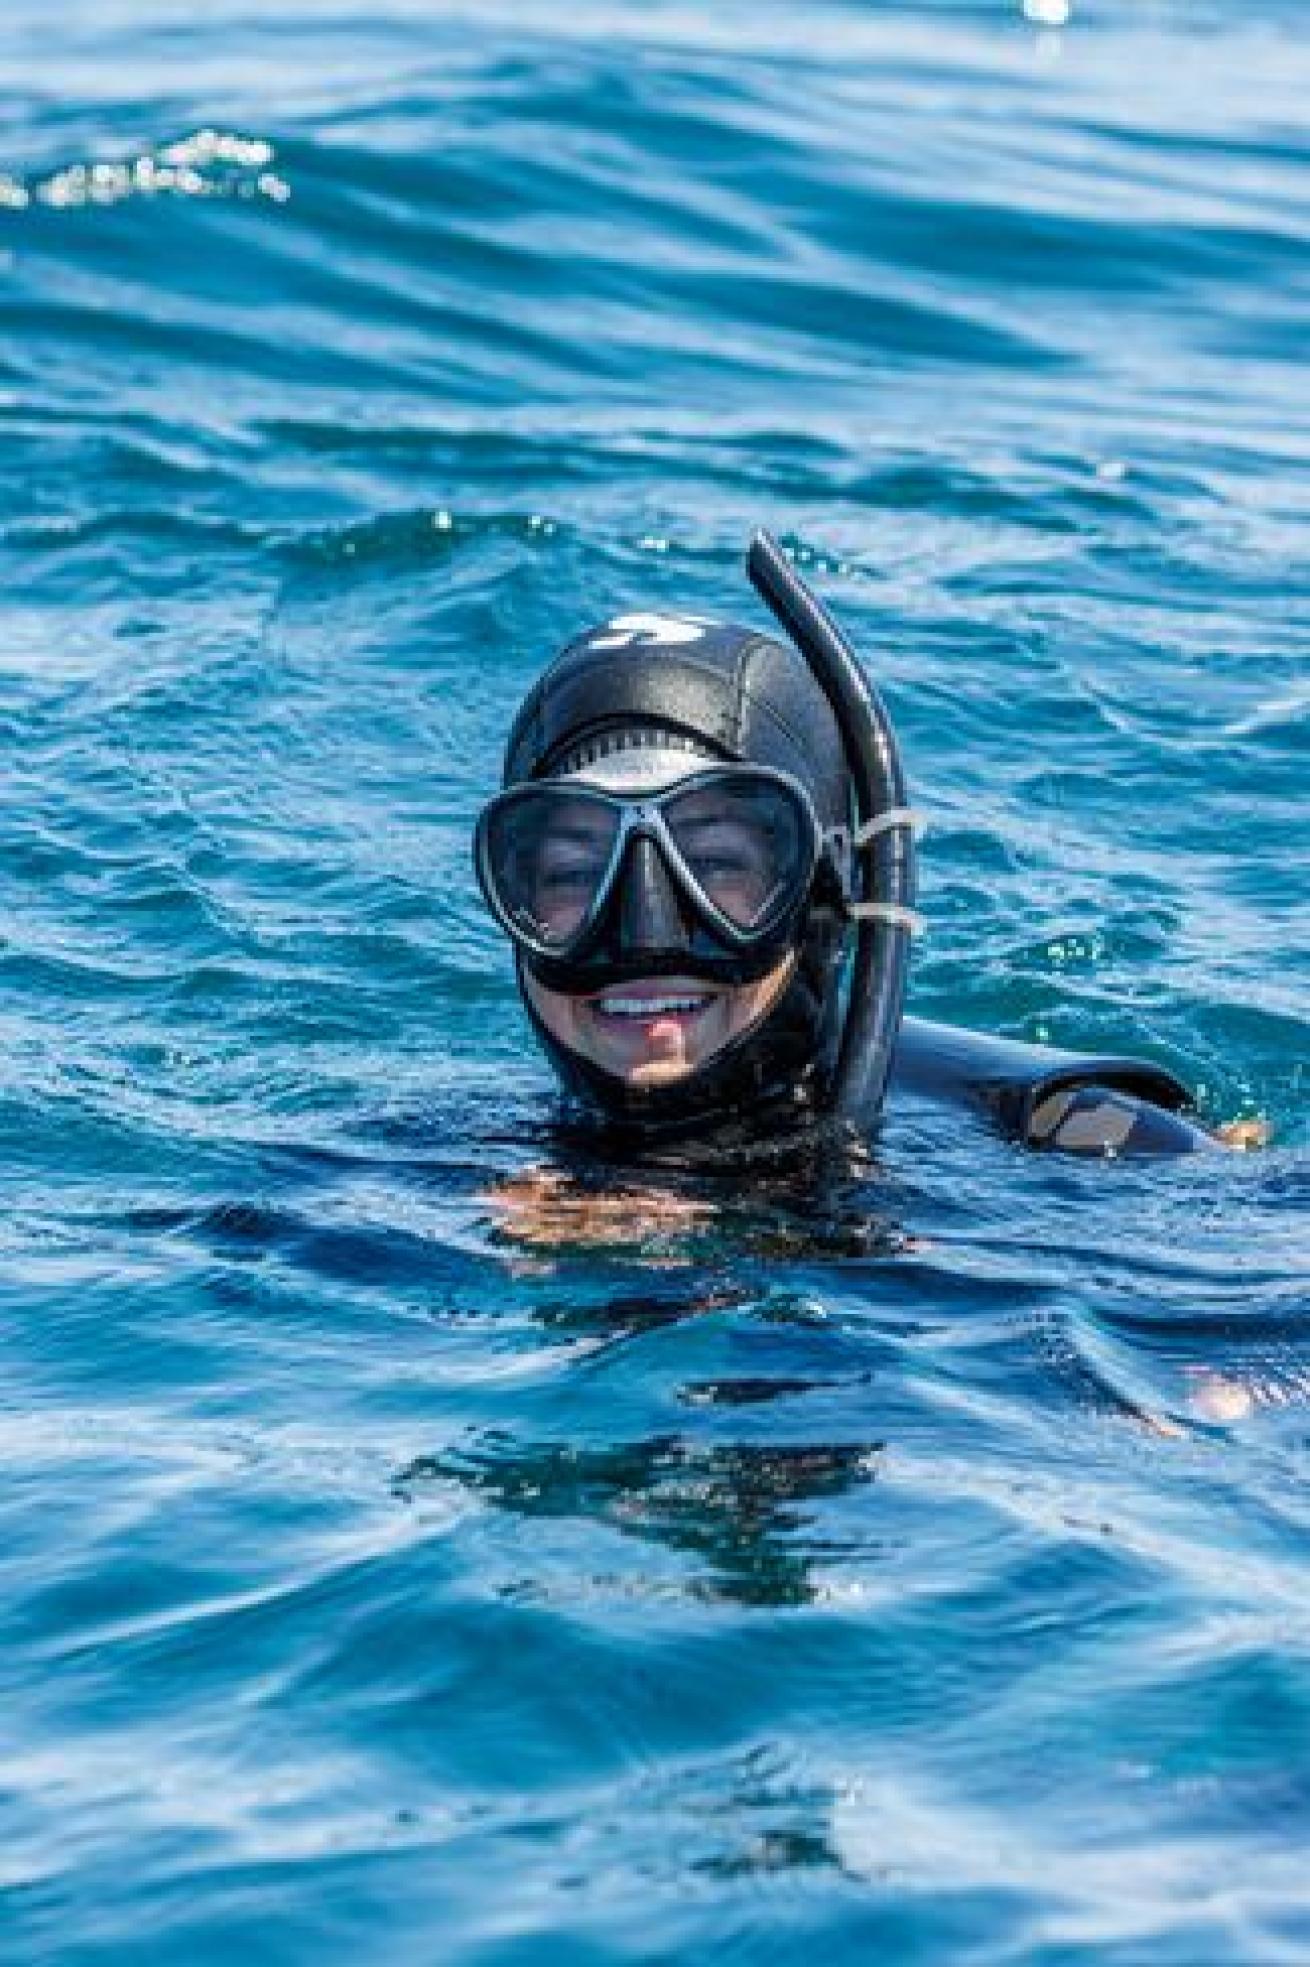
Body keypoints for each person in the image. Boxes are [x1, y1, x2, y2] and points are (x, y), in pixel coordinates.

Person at [473, 532, 1219, 1172]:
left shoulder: (1079, 1143)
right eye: (574, 871)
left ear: (824, 894)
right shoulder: (473, 1164)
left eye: (717, 865)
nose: (644, 928)